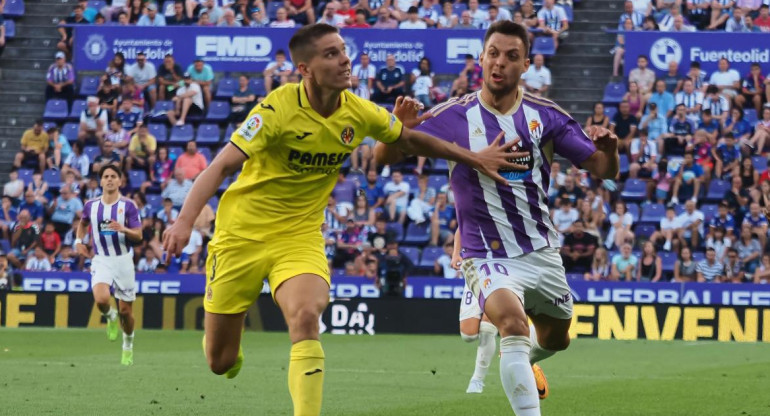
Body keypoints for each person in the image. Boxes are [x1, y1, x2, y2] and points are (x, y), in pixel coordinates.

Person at [162, 24, 518, 416]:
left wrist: (475, 157)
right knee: (220, 361)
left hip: (298, 237)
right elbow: (220, 166)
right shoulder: (276, 109)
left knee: (306, 316)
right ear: (306, 69)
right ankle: (230, 353)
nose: (345, 59)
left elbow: (410, 140)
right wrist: (183, 222)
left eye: (343, 50)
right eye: (331, 54)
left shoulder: (358, 111)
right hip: (240, 236)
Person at [374, 21, 619, 415]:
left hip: (540, 248)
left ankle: (522, 364)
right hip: (485, 252)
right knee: (512, 325)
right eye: (493, 53)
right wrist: (395, 128)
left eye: (511, 56)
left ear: (526, 65)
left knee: (557, 339)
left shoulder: (546, 117)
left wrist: (612, 149)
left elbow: (604, 169)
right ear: (482, 58)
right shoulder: (453, 116)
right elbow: (383, 158)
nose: (499, 63)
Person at [76, 165, 142, 365]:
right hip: (102, 258)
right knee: (101, 299)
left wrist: (124, 229)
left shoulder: (129, 206)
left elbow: (139, 235)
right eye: (106, 176)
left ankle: (128, 345)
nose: (110, 179)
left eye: (114, 176)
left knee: (126, 312)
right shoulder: (91, 206)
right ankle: (110, 317)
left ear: (120, 181)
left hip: (123, 259)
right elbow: (83, 224)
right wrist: (78, 242)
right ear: (101, 181)